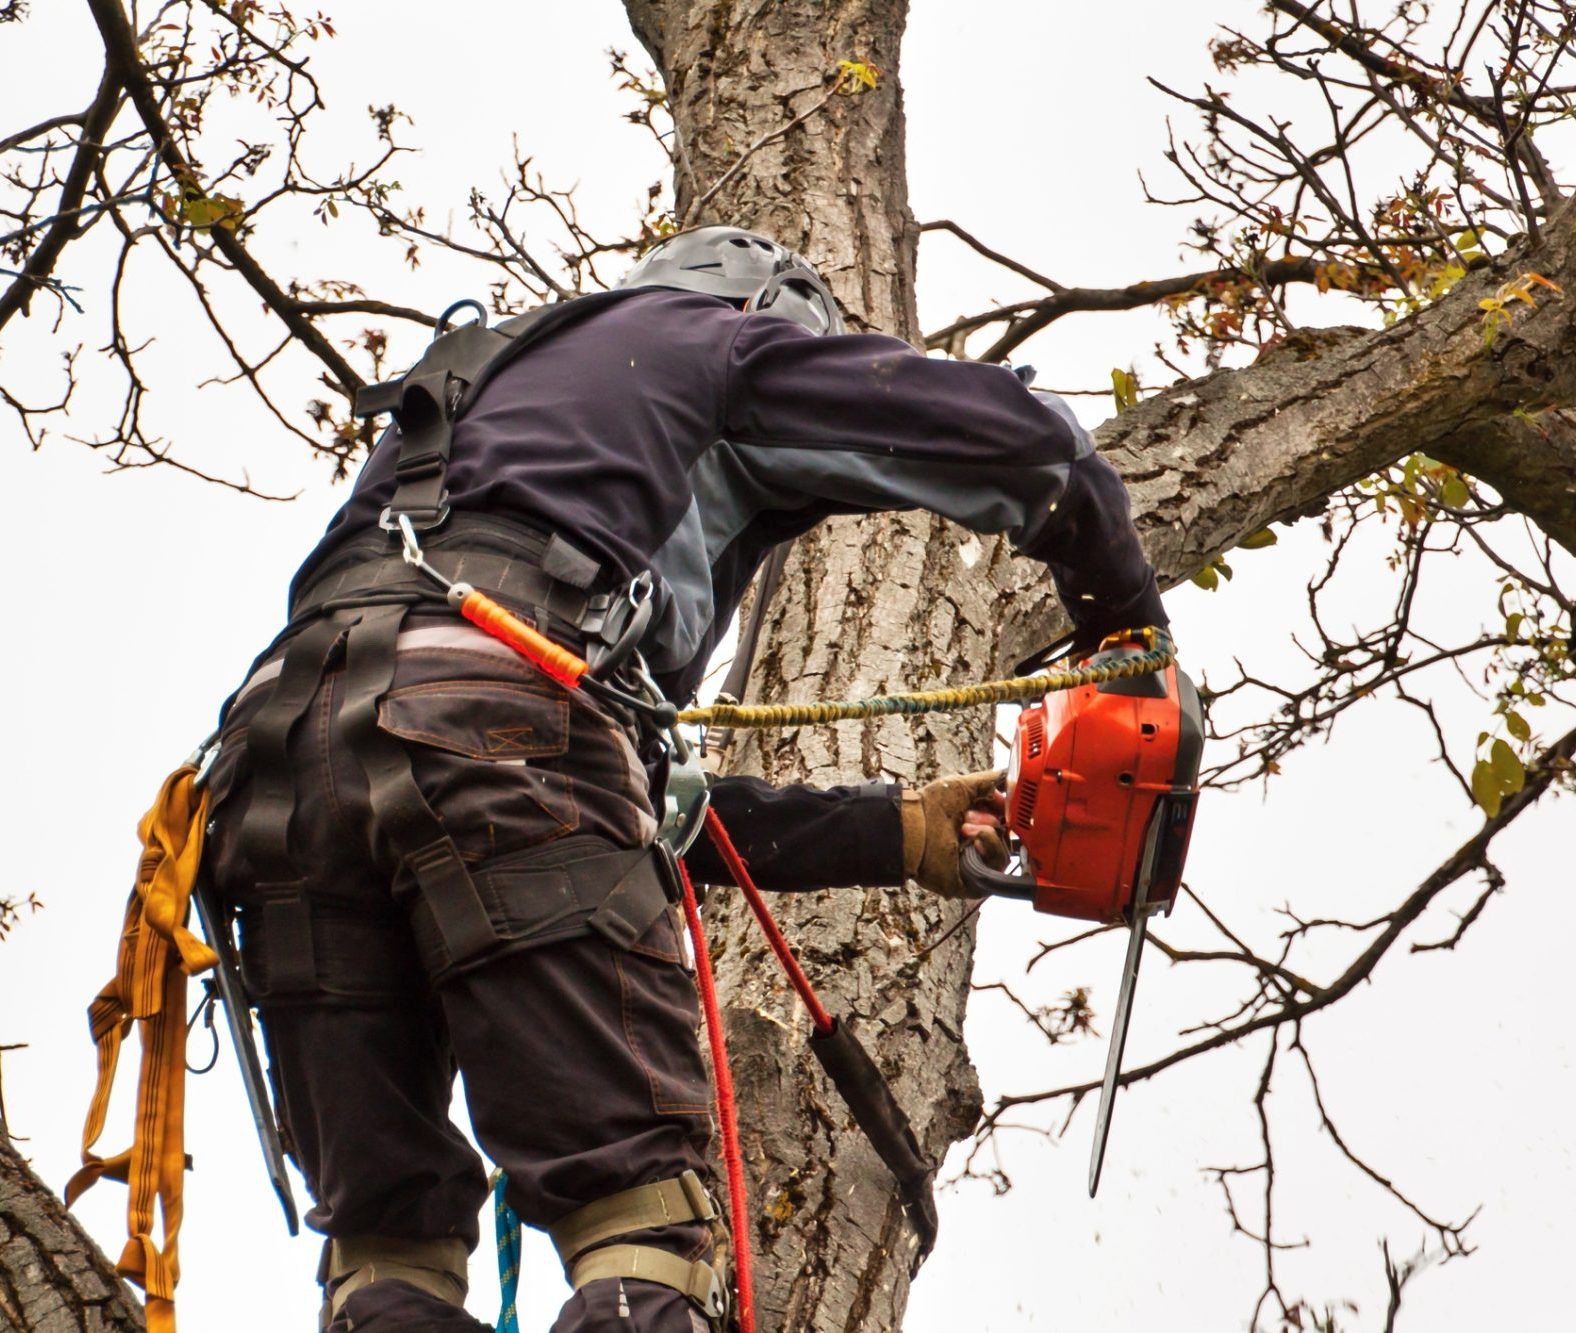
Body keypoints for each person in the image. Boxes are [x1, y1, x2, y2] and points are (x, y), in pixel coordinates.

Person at [200, 225, 1170, 1333]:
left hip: (271, 769)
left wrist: (900, 831)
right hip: (494, 719)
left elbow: (611, 824)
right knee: (641, 1232)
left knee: (387, 1252)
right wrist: (1123, 629)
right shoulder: (709, 346)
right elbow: (1021, 442)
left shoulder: (486, 407)